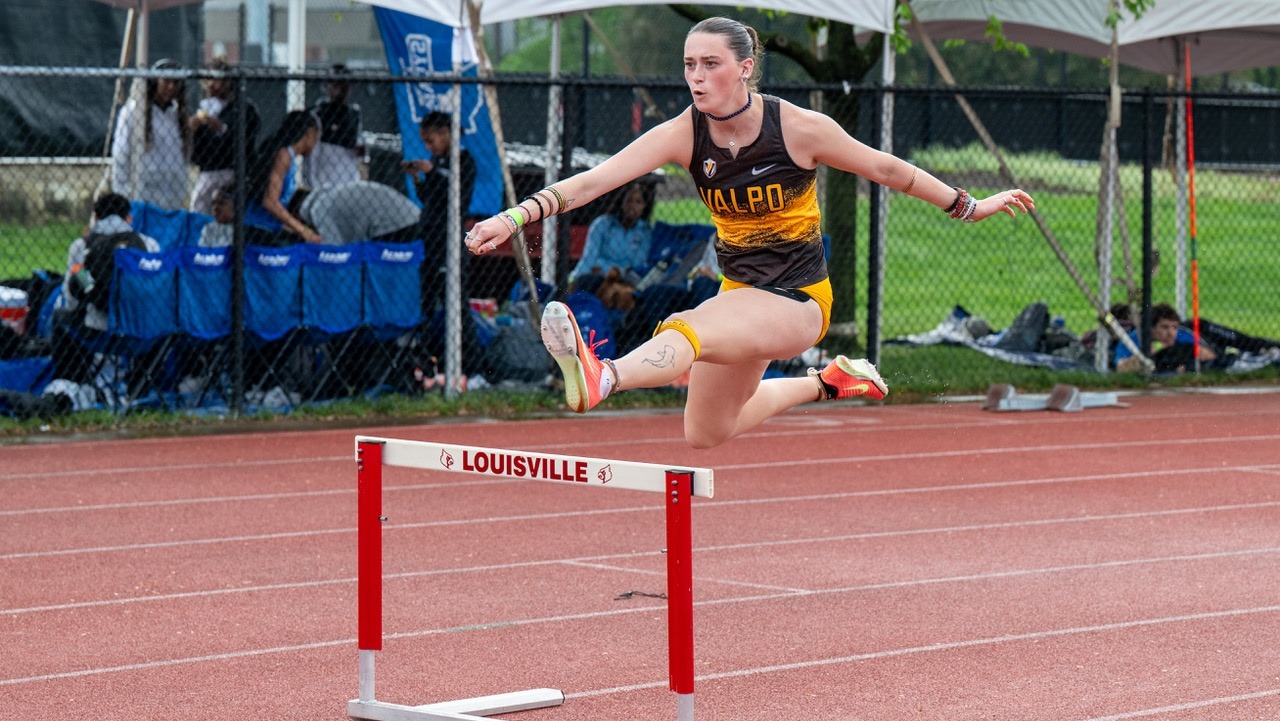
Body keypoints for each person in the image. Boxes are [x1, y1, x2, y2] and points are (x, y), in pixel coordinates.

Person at [464, 17, 1034, 449]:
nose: (696, 77)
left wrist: (970, 205)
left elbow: (887, 169)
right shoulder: (683, 134)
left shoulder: (800, 128)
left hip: (798, 301)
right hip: (739, 293)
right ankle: (830, 381)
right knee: (707, 431)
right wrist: (513, 219)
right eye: (689, 65)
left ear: (744, 67)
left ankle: (604, 375)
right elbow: (596, 180)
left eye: (710, 64)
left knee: (689, 326)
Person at [53, 192, 161, 384]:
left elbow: (72, 297)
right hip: (143, 331)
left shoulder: (82, 247)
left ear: (95, 218)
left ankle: (72, 383)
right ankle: (141, 386)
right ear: (129, 218)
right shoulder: (149, 244)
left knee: (60, 317)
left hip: (97, 330)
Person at [402, 111, 477, 308]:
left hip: (448, 235)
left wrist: (432, 172)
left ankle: (464, 338)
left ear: (445, 133)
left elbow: (457, 196)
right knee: (427, 291)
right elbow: (429, 197)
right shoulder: (436, 160)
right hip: (429, 234)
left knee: (453, 297)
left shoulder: (465, 161)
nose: (428, 147)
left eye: (430, 141)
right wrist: (417, 178)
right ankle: (428, 336)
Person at [111, 59, 190, 210]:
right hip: (144, 190)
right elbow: (121, 152)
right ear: (155, 82)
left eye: (176, 83)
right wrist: (121, 190)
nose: (171, 87)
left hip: (172, 194)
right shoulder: (134, 111)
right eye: (166, 81)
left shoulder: (176, 115)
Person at [188, 56, 262, 215]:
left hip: (233, 170)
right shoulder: (206, 107)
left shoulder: (242, 108)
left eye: (217, 79)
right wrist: (193, 131)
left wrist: (220, 127)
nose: (211, 84)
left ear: (228, 82)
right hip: (208, 169)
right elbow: (197, 150)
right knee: (199, 209)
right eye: (208, 79)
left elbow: (245, 138)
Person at [244, 110, 322, 245]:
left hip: (267, 227)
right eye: (316, 137)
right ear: (309, 133)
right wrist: (302, 230)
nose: (316, 144)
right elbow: (270, 202)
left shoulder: (288, 156)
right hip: (259, 229)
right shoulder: (283, 155)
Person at [569, 183, 654, 290]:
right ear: (621, 202)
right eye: (629, 200)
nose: (632, 205)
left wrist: (618, 272)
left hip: (625, 280)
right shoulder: (602, 224)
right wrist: (606, 269)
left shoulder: (645, 231)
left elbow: (639, 263)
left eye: (638, 202)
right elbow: (590, 258)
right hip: (596, 275)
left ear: (644, 207)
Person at [292, 181, 423, 245]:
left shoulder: (318, 208)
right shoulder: (331, 192)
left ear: (298, 217)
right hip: (410, 214)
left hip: (391, 225)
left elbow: (334, 252)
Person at [304, 63, 364, 189]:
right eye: (334, 84)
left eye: (343, 84)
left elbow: (358, 150)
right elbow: (312, 155)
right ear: (326, 86)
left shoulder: (354, 114)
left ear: (350, 86)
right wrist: (314, 186)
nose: (339, 89)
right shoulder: (318, 113)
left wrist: (361, 152)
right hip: (323, 182)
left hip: (348, 182)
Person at [197, 184, 235, 248]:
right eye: (213, 203)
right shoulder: (209, 229)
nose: (215, 208)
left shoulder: (246, 230)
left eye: (221, 203)